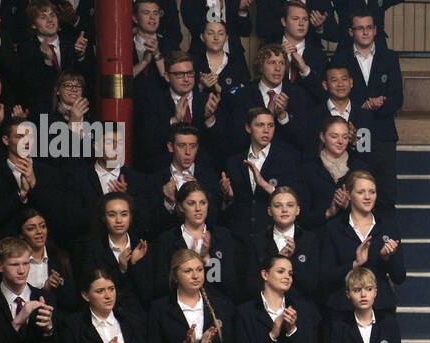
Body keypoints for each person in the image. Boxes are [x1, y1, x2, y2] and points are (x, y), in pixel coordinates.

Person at [333, 11, 403, 207]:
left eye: (369, 27)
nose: (365, 32)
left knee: (385, 191)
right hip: (351, 131)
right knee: (353, 188)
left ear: (375, 30)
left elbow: (398, 98)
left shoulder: (389, 58)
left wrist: (377, 104)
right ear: (350, 32)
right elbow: (335, 94)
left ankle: (387, 237)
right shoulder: (340, 58)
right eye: (360, 28)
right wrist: (361, 108)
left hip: (382, 133)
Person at [318, 169, 405, 313]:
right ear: (349, 195)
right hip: (343, 310)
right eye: (361, 192)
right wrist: (354, 264)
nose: (367, 197)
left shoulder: (388, 227)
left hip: (381, 308)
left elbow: (399, 277)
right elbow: (325, 277)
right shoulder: (333, 228)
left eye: (372, 192)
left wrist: (387, 258)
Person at [220, 104, 302, 247]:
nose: (266, 130)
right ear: (248, 128)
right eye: (260, 125)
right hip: (239, 239)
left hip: (272, 239)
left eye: (270, 125)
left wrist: (264, 184)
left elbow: (295, 198)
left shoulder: (287, 159)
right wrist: (228, 197)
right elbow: (229, 208)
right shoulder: (233, 161)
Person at [152, 181, 241, 304]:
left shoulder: (222, 236)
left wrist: (208, 261)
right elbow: (161, 286)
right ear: (181, 207)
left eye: (203, 203)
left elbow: (230, 286)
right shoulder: (167, 240)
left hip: (216, 306)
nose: (198, 208)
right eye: (191, 203)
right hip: (179, 306)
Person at [75, 193, 152, 306]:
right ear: (103, 218)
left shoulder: (141, 247)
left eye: (124, 214)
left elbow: (148, 293)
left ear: (131, 217)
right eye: (112, 215)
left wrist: (134, 265)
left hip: (138, 314)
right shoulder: (91, 249)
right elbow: (91, 290)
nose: (119, 220)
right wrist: (120, 269)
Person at [15, 0, 89, 116]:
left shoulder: (71, 44)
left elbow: (85, 79)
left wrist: (80, 56)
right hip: (42, 114)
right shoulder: (26, 49)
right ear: (33, 24)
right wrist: (47, 62)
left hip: (74, 110)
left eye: (52, 15)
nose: (50, 20)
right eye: (43, 17)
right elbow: (29, 86)